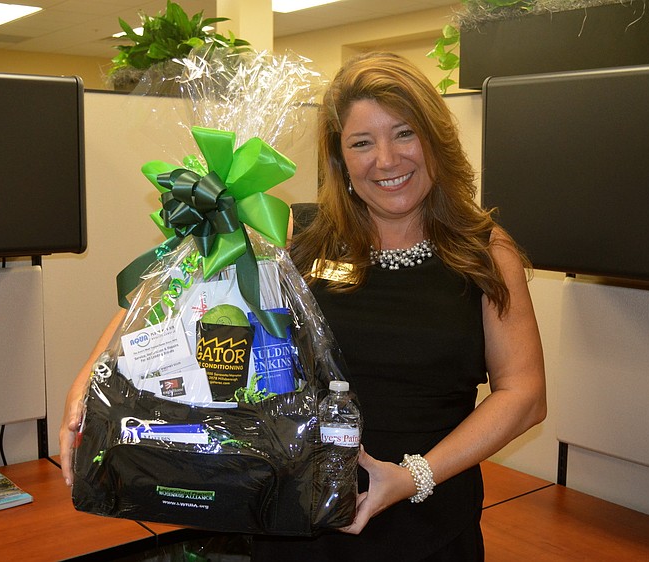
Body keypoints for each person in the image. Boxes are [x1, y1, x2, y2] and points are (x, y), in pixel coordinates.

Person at [60, 51, 546, 561]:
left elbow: (524, 394)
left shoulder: (483, 251)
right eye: (361, 142)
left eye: (404, 133)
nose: (386, 160)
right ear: (340, 159)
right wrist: (86, 381)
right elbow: (168, 290)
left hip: (428, 525)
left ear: (436, 139)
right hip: (295, 525)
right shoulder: (294, 233)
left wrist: (411, 477)